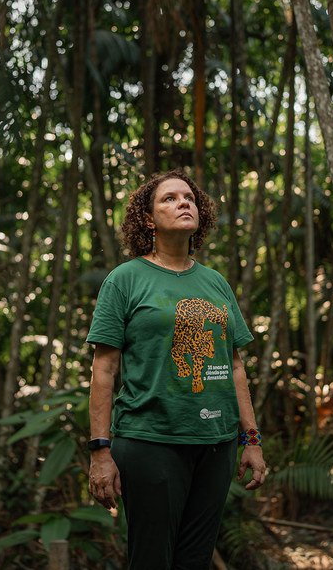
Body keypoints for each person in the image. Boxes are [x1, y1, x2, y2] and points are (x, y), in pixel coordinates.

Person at [86, 169, 267, 570]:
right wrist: (100, 450)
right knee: (152, 560)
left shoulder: (215, 283)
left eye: (189, 198)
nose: (184, 202)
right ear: (148, 219)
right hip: (151, 441)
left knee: (195, 561)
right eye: (169, 198)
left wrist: (251, 439)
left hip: (216, 444)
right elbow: (104, 368)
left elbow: (235, 366)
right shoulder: (125, 280)